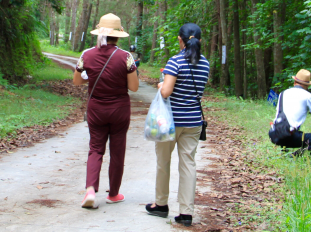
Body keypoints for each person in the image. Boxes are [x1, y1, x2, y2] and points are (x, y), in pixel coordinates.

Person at [73, 13, 140, 209]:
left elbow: (77, 81)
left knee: (95, 149)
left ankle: (91, 189)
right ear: (118, 35)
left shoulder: (87, 55)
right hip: (119, 109)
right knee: (117, 151)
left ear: (99, 33)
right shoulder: (126, 57)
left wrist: (91, 77)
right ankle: (113, 193)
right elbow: (134, 88)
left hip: (96, 109)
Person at [145, 23, 209, 227]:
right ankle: (186, 213)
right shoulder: (205, 63)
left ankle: (161, 205)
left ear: (180, 39)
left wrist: (161, 84)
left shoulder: (175, 61)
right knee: (188, 163)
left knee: (163, 162)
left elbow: (166, 92)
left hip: (170, 122)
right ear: (200, 40)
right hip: (193, 122)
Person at [272, 69, 311, 156]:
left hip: (274, 133)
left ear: (295, 82)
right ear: (307, 85)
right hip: (289, 134)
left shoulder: (283, 93)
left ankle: (284, 152)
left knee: (289, 127)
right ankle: (294, 156)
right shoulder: (308, 96)